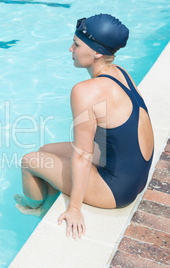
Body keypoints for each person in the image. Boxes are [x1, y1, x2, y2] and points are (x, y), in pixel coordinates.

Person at [14, 14, 154, 239]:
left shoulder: (85, 91)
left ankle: (35, 209)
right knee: (46, 150)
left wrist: (75, 208)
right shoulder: (121, 73)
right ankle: (50, 198)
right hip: (134, 176)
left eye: (77, 44)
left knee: (29, 161)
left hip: (117, 189)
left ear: (97, 52)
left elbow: (82, 154)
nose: (71, 49)